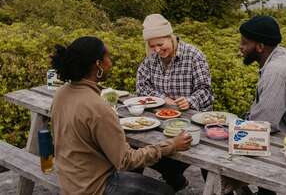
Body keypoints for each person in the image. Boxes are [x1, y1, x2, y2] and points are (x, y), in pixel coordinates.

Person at [50, 36, 192, 195]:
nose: (110, 63)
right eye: (107, 57)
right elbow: (126, 160)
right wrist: (172, 144)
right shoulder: (98, 107)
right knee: (165, 191)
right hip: (94, 187)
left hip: (69, 180)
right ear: (98, 64)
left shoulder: (61, 93)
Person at [136, 13, 214, 111]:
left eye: (160, 44)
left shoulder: (194, 55)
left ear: (170, 38)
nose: (157, 50)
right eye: (152, 46)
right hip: (160, 114)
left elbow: (206, 90)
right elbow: (141, 87)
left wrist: (189, 101)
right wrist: (163, 98)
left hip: (191, 116)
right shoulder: (150, 59)